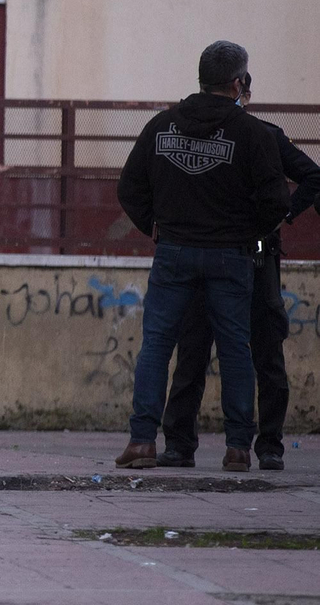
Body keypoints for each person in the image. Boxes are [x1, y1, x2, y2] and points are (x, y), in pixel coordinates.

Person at [115, 41, 289, 471]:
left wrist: (154, 225)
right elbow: (275, 201)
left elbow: (129, 187)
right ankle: (236, 448)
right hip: (230, 257)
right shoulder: (252, 134)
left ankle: (142, 442)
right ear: (238, 83)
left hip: (173, 252)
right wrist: (247, 233)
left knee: (156, 345)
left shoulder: (162, 126)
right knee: (235, 348)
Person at [159, 72, 320, 470]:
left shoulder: (262, 135)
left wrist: (284, 215)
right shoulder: (237, 135)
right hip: (235, 254)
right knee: (206, 349)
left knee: (250, 349)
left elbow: (313, 176)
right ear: (239, 90)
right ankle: (218, 445)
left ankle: (259, 444)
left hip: (247, 255)